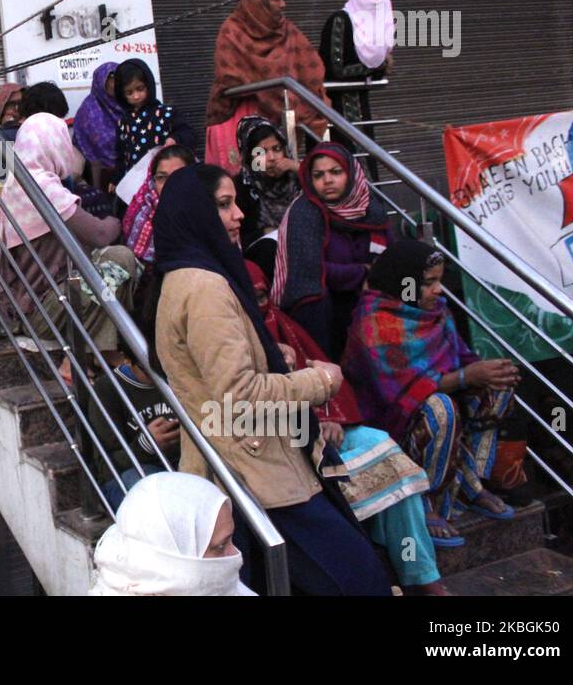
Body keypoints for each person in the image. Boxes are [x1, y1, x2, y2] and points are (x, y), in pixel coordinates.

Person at [151, 163, 390, 595]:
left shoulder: (183, 279)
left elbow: (214, 376)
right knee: (360, 579)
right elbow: (240, 396)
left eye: (236, 204)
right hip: (257, 468)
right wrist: (320, 381)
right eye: (223, 206)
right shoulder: (205, 288)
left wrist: (268, 358)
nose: (239, 215)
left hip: (242, 464)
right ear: (195, 214)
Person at [247, 259, 445, 594]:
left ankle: (422, 575)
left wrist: (330, 417)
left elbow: (323, 374)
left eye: (263, 296)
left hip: (321, 431)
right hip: (278, 447)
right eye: (248, 300)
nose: (258, 306)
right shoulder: (237, 340)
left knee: (383, 448)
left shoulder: (284, 326)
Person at [343, 240, 520, 548]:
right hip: (393, 426)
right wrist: (467, 376)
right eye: (429, 283)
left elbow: (461, 358)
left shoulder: (435, 312)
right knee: (440, 407)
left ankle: (469, 484)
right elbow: (404, 392)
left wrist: (488, 372)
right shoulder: (373, 323)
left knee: (497, 387)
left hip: (434, 415)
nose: (440, 290)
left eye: (439, 280)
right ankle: (428, 499)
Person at [0, 112, 138, 381]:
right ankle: (75, 360)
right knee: (120, 262)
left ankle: (102, 350)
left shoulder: (16, 182)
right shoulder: (40, 185)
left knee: (115, 259)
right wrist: (117, 220)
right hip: (45, 309)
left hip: (31, 305)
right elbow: (99, 234)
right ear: (53, 144)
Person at [272, 141, 391, 360]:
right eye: (318, 175)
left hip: (371, 300)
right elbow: (312, 271)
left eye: (336, 172)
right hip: (328, 309)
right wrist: (364, 271)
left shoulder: (372, 210)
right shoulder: (304, 212)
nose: (327, 180)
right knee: (314, 304)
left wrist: (386, 282)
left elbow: (390, 260)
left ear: (351, 173)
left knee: (409, 288)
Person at [205, 0, 330, 172]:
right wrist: (269, 88)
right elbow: (228, 75)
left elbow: (310, 68)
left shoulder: (288, 31)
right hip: (241, 118)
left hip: (283, 118)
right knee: (246, 181)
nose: (283, 5)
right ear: (258, 1)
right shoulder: (232, 31)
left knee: (280, 180)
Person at [90, 472, 255, 595]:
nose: (236, 554)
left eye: (229, 541)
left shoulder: (227, 588)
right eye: (219, 546)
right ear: (169, 559)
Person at [320, 0, 395, 177]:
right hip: (334, 108)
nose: (374, 1)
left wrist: (376, 68)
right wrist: (376, 67)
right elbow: (336, 68)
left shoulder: (378, 27)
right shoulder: (340, 21)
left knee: (366, 163)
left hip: (360, 105)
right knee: (344, 166)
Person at [87, 359, 181, 513]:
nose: (159, 374)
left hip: (179, 468)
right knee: (150, 489)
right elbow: (105, 468)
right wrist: (145, 445)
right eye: (150, 368)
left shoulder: (177, 373)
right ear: (127, 360)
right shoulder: (108, 389)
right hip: (131, 475)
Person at [233, 115, 301, 279]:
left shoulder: (297, 178)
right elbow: (237, 239)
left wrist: (299, 169)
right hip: (264, 264)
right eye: (261, 152)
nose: (271, 158)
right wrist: (265, 232)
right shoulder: (240, 188)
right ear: (249, 157)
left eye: (277, 149)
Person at [113, 59, 196, 173]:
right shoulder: (123, 123)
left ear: (149, 85)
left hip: (168, 177)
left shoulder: (166, 113)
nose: (136, 96)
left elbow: (189, 133)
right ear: (122, 95)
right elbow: (121, 154)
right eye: (129, 93)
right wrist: (117, 177)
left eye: (140, 89)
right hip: (136, 182)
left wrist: (175, 139)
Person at [122, 144, 194, 268]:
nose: (170, 184)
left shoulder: (206, 213)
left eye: (179, 175)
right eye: (161, 177)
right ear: (152, 180)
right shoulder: (141, 212)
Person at [72, 61, 124, 190]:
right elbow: (100, 144)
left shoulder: (128, 103)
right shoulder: (89, 110)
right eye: (113, 80)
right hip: (99, 178)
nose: (117, 84)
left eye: (121, 79)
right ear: (101, 82)